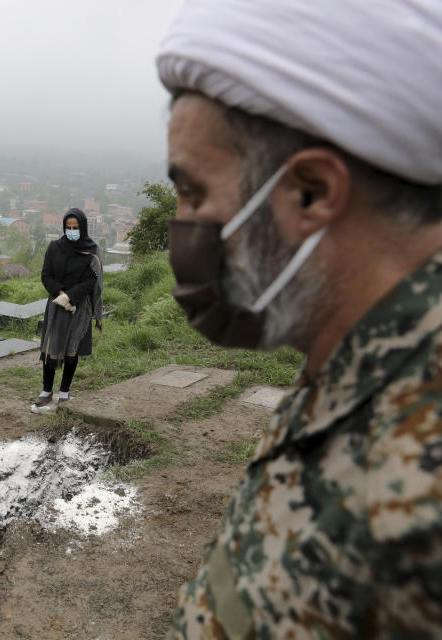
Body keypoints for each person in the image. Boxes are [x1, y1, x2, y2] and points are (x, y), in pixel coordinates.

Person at [155, 1, 442, 637]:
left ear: (310, 191)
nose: (183, 226)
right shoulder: (356, 370)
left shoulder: (418, 488)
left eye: (194, 193)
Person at [33, 208, 103, 412]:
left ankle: (64, 391)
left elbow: (91, 280)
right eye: (68, 227)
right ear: (64, 227)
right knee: (50, 347)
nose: (72, 231)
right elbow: (46, 275)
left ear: (83, 227)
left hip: (78, 308)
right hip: (56, 305)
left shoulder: (91, 251)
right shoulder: (55, 247)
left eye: (76, 227)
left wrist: (71, 297)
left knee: (72, 350)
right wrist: (60, 294)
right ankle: (46, 391)